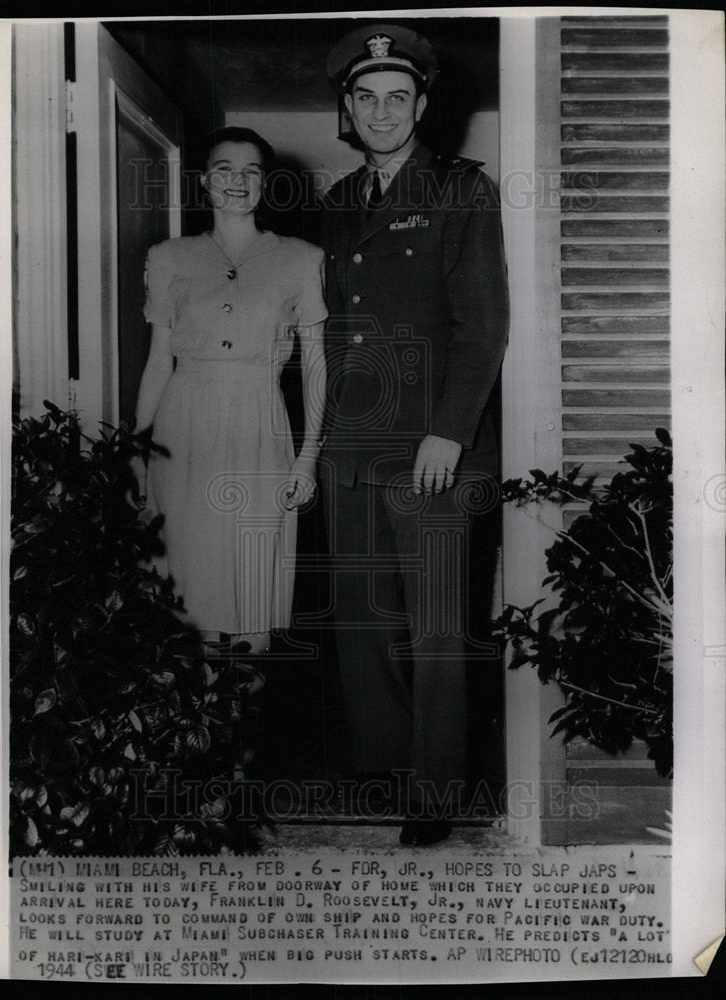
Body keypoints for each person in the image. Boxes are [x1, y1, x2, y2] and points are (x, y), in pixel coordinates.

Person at [321, 24, 510, 845]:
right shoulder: (333, 206)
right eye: (367, 97)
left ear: (423, 105)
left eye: (399, 97)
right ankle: (385, 769)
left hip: (433, 446)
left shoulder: (461, 190)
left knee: (435, 629)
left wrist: (448, 433)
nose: (382, 111)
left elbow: (482, 327)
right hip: (352, 444)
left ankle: (434, 795)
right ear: (348, 108)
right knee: (362, 618)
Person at [132, 126, 327, 657]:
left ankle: (248, 730)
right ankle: (202, 732)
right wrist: (135, 452)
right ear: (203, 180)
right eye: (223, 168)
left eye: (251, 171)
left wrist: (307, 458)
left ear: (267, 183)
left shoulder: (302, 258)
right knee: (188, 592)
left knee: (252, 592)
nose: (237, 181)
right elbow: (157, 363)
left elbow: (315, 364)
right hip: (182, 428)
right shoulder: (168, 256)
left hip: (259, 424)